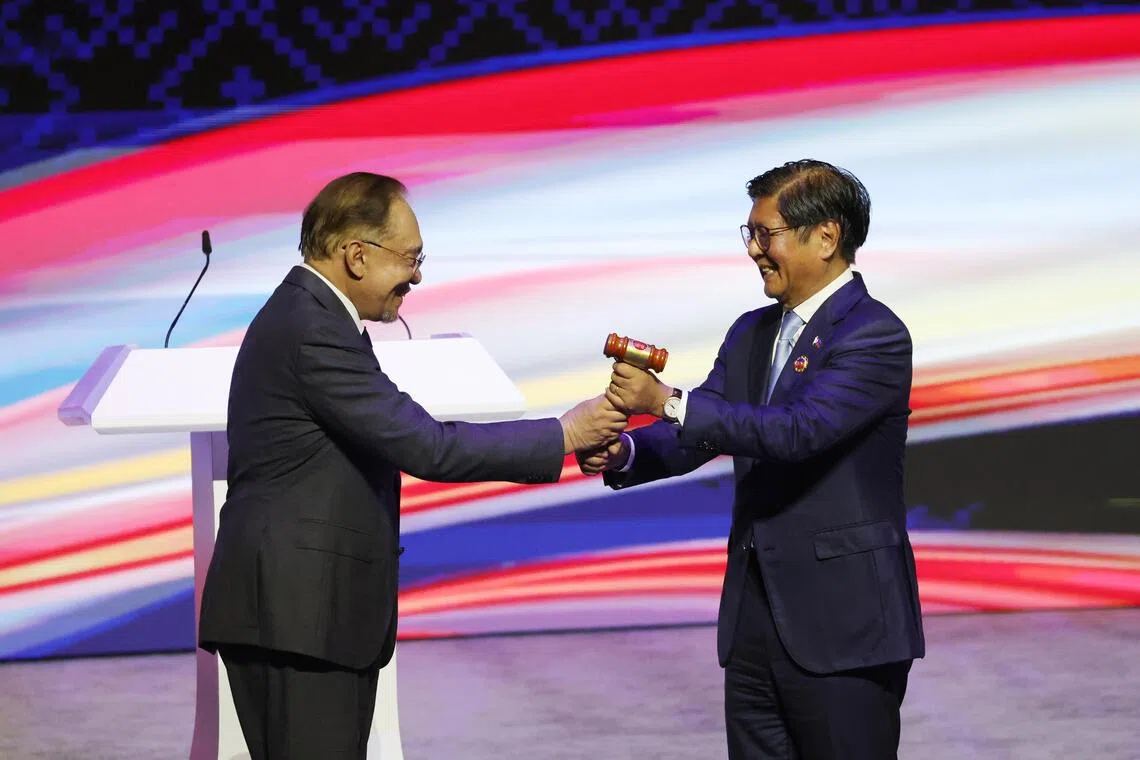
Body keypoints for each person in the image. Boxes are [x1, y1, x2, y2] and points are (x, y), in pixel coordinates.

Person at [198, 172, 626, 759]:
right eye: (411, 258)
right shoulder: (312, 328)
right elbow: (427, 446)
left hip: (305, 615)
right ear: (355, 255)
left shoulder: (311, 316)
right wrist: (564, 434)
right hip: (295, 616)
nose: (418, 276)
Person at [581, 160, 924, 759]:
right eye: (750, 235)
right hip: (755, 623)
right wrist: (626, 450)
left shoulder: (875, 335)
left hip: (845, 624)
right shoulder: (752, 331)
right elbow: (707, 425)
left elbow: (799, 430)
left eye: (767, 235)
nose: (754, 252)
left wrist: (663, 400)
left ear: (826, 237)